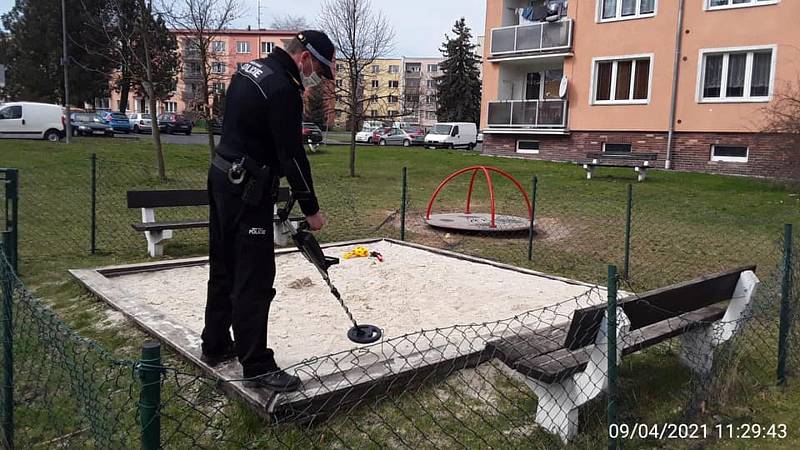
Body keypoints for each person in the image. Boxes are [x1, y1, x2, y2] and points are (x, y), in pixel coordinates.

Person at [200, 31, 335, 392]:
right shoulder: (282, 88)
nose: (314, 79)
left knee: (224, 263)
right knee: (255, 277)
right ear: (304, 58)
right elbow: (292, 155)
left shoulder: (250, 71)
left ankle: (214, 344)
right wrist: (312, 209)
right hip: (247, 190)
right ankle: (257, 366)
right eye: (317, 71)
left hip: (222, 177)